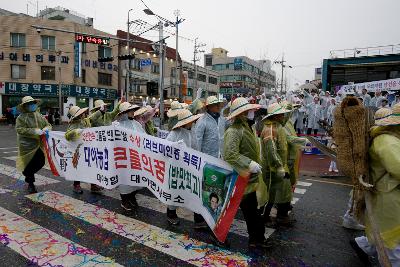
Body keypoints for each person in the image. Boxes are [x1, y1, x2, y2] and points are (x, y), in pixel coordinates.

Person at [351, 104, 400, 266]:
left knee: (386, 238)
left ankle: (362, 244)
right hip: (389, 199)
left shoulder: (390, 138)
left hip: (388, 196)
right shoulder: (387, 141)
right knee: (392, 247)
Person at [223, 97, 270, 249]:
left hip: (252, 178)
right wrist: (248, 163)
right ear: (242, 113)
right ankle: (256, 239)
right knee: (251, 213)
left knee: (255, 211)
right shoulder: (234, 131)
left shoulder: (248, 127)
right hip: (242, 180)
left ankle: (257, 238)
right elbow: (230, 154)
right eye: (249, 110)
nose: (252, 112)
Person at [165, 109, 203, 226]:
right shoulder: (174, 134)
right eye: (190, 121)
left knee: (195, 193)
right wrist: (175, 147)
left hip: (190, 169)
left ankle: (198, 219)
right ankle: (171, 213)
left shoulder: (192, 133)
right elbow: (165, 149)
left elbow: (196, 149)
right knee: (175, 192)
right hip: (176, 170)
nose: (192, 122)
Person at [259, 103, 294, 227]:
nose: (284, 116)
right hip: (270, 167)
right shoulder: (270, 129)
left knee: (272, 194)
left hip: (274, 166)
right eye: (281, 114)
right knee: (268, 195)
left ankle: (266, 216)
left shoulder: (276, 126)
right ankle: (263, 217)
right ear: (276, 116)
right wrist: (279, 166)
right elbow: (271, 151)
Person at [65, 105, 105, 194]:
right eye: (82, 113)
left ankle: (93, 185)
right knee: (78, 168)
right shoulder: (73, 125)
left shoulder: (85, 121)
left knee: (92, 167)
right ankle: (76, 185)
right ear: (78, 115)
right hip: (79, 150)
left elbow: (92, 118)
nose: (84, 114)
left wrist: (101, 111)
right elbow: (67, 135)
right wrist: (76, 132)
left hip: (88, 149)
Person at [16, 96, 52, 194]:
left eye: (32, 103)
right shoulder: (21, 117)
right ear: (25, 106)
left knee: (40, 161)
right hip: (26, 146)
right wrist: (34, 131)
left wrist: (46, 129)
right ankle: (31, 184)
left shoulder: (39, 115)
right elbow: (19, 129)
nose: (31, 105)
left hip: (39, 145)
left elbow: (48, 124)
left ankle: (27, 173)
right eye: (29, 104)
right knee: (29, 163)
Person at [113, 102, 144, 211]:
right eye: (130, 110)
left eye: (133, 110)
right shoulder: (116, 125)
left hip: (136, 158)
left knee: (137, 181)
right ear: (125, 113)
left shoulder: (137, 124)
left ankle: (131, 197)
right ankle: (125, 201)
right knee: (125, 180)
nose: (133, 112)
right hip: (123, 159)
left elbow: (145, 138)